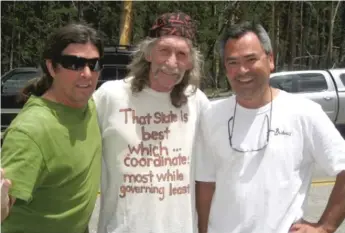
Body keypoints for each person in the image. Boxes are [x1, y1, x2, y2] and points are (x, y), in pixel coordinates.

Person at [195, 21, 345, 233]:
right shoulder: (211, 115)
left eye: (251, 59)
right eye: (233, 62)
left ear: (270, 60)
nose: (242, 70)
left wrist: (325, 226)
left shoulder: (304, 113)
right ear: (226, 68)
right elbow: (205, 184)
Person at [93, 11, 210, 233]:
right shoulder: (111, 96)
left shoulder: (196, 101)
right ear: (148, 53)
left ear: (190, 62)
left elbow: (218, 166)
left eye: (182, 54)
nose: (171, 63)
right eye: (164, 50)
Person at [1, 23, 104, 233]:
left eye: (93, 64)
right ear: (51, 67)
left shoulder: (90, 105)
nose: (86, 73)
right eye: (74, 64)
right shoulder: (32, 130)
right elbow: (4, 202)